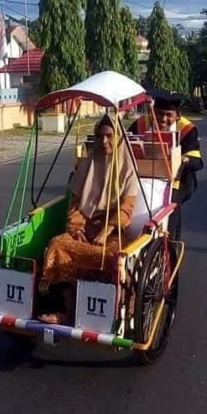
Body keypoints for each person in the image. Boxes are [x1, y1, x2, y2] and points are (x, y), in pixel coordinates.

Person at [38, 113, 140, 325]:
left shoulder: (128, 168)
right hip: (85, 227)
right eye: (100, 136)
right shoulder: (86, 165)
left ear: (118, 138)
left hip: (113, 232)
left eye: (110, 136)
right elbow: (75, 204)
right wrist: (77, 229)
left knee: (113, 257)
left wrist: (107, 230)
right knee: (58, 245)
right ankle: (68, 312)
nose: (104, 142)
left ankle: (120, 305)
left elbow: (127, 208)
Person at [128, 89, 203, 243]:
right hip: (144, 175)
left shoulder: (187, 129)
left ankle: (169, 243)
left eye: (169, 115)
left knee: (172, 200)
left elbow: (197, 162)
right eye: (159, 113)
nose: (162, 119)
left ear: (178, 115)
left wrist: (182, 159)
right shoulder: (141, 123)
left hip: (176, 179)